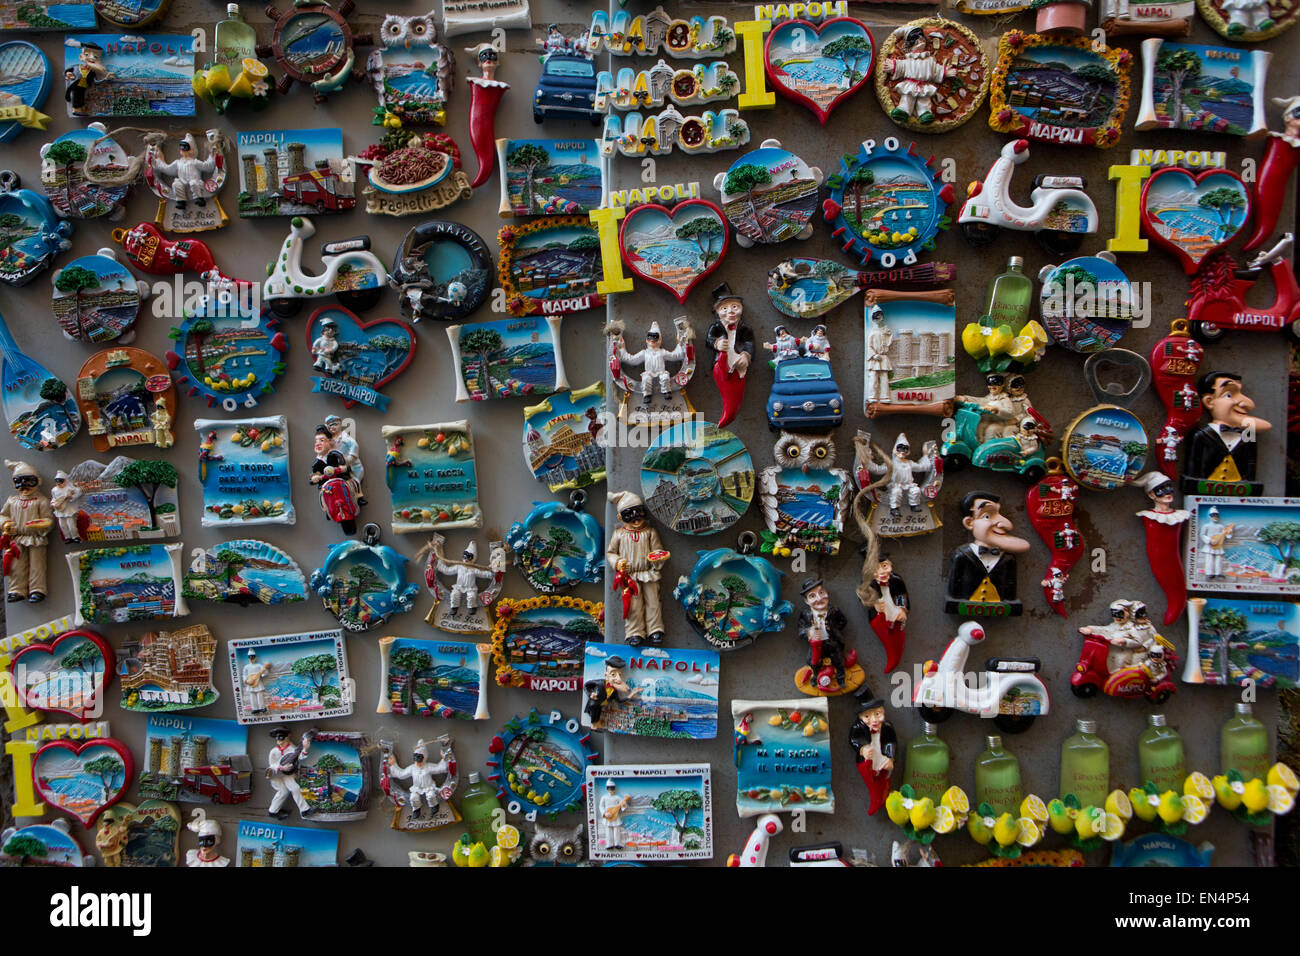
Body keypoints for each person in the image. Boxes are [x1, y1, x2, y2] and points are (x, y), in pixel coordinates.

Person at [1181, 370, 1271, 493]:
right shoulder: (1201, 435)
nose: (1246, 404)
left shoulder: (1248, 435)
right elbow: (1194, 465)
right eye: (1228, 395)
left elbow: (1251, 463)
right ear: (1209, 401)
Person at [945, 490, 1031, 614]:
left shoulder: (1008, 559)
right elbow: (955, 588)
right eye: (987, 516)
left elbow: (1010, 591)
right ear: (969, 523)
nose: (1005, 524)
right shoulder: (961, 556)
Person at [605, 490, 669, 645]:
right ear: (621, 517)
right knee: (633, 606)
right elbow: (611, 552)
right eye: (629, 515)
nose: (635, 519)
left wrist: (658, 558)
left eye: (638, 513)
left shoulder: (650, 533)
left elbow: (657, 550)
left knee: (653, 602)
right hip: (630, 577)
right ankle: (635, 632)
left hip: (649, 574)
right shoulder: (619, 534)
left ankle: (655, 630)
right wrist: (618, 562)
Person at [1, 461, 52, 603]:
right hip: (16, 539)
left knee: (37, 564)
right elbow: (3, 515)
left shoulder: (41, 501)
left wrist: (42, 524)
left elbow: (49, 518)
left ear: (38, 481)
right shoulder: (12, 501)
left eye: (29, 481)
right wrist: (5, 524)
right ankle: (17, 589)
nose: (24, 486)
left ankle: (37, 589)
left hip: (35, 537)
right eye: (19, 481)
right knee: (16, 565)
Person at [706, 284, 753, 427]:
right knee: (726, 391)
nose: (730, 312)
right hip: (721, 364)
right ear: (717, 312)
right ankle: (728, 413)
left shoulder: (744, 328)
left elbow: (749, 342)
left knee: (736, 393)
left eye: (734, 307)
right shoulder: (716, 327)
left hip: (739, 365)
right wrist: (716, 343)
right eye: (724, 309)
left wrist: (746, 355)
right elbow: (709, 339)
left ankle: (730, 413)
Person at [797, 579, 857, 691]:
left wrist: (833, 629)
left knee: (838, 661)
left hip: (833, 642)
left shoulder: (833, 610)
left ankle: (841, 679)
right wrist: (809, 632)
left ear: (826, 593)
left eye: (821, 593)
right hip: (816, 645)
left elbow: (843, 621)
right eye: (812, 596)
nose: (819, 598)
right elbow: (801, 630)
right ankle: (815, 676)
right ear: (806, 601)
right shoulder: (806, 614)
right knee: (814, 662)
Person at [882, 26, 945, 125]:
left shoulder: (929, 60)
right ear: (909, 45)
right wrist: (893, 66)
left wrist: (945, 72)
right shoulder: (908, 60)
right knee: (907, 97)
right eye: (916, 40)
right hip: (910, 84)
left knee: (924, 100)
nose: (920, 41)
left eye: (921, 38)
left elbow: (935, 69)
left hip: (924, 85)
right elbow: (902, 66)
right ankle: (903, 111)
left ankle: (925, 113)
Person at [848, 687, 895, 815]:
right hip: (866, 762)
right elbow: (853, 739)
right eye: (867, 716)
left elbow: (891, 742)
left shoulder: (887, 727)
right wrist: (862, 749)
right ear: (861, 717)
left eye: (877, 714)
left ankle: (881, 798)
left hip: (883, 759)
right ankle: (876, 800)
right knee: (872, 783)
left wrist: (890, 757)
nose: (873, 720)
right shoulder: (857, 727)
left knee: (884, 780)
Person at [858, 553, 908, 673]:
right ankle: (892, 658)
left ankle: (894, 658)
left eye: (884, 566)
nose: (882, 572)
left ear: (890, 565)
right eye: (875, 569)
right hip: (880, 618)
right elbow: (863, 598)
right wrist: (873, 603)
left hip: (894, 611)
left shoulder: (896, 580)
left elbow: (900, 594)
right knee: (888, 639)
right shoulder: (867, 585)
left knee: (899, 636)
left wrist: (901, 608)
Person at [864, 434, 933, 518]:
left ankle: (914, 505)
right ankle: (894, 509)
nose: (902, 452)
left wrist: (926, 455)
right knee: (896, 492)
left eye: (905, 449)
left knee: (915, 490)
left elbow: (922, 467)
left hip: (909, 485)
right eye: (900, 448)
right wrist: (866, 459)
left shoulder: (909, 463)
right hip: (896, 485)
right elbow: (877, 470)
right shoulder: (891, 464)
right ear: (895, 450)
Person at [617, 321, 686, 398]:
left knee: (665, 378)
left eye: (655, 338)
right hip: (649, 373)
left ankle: (666, 392)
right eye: (650, 337)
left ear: (659, 340)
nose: (652, 340)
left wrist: (680, 344)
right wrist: (622, 348)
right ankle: (647, 395)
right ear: (647, 339)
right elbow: (631, 360)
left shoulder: (662, 352)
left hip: (661, 372)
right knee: (646, 379)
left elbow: (675, 356)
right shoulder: (644, 353)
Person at [388, 739, 452, 821]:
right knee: (413, 797)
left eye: (420, 759)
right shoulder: (412, 768)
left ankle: (434, 806)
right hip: (417, 788)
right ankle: (416, 810)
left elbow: (439, 768)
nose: (418, 763)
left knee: (431, 795)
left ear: (424, 758)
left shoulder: (428, 766)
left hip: (428, 786)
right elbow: (401, 774)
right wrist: (393, 764)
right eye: (416, 760)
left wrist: (443, 759)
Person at [151, 134, 218, 210]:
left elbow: (207, 166)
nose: (184, 152)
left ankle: (198, 198)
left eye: (186, 149)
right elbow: (168, 169)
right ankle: (181, 201)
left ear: (192, 150)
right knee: (176, 184)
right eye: (182, 149)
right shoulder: (178, 163)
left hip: (194, 181)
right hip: (182, 181)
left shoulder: (195, 162)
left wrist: (211, 155)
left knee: (194, 183)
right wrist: (159, 160)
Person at [266, 727, 314, 819]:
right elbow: (271, 766)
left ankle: (305, 810)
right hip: (277, 775)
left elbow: (299, 758)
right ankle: (273, 811)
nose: (280, 742)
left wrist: (305, 749)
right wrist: (281, 767)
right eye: (279, 739)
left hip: (288, 775)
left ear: (287, 737)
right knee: (283, 791)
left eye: (282, 739)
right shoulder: (274, 751)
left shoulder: (293, 749)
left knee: (295, 788)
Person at [436, 541, 494, 617]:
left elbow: (483, 574)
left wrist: (492, 573)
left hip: (470, 588)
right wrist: (440, 562)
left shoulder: (474, 570)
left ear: (473, 559)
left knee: (472, 596)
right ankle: (454, 607)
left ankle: (472, 608)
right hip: (459, 586)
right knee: (454, 594)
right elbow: (447, 571)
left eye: (469, 557)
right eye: (465, 556)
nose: (466, 559)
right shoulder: (458, 567)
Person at [585, 656, 643, 729]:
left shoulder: (614, 691)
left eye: (620, 675)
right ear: (606, 675)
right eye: (613, 674)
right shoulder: (599, 683)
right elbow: (586, 685)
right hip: (594, 705)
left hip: (600, 706)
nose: (618, 679)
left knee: (597, 715)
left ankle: (596, 724)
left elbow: (619, 701)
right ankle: (594, 725)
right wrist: (591, 693)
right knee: (595, 716)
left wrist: (630, 695)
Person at [325, 414, 366, 504]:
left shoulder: (345, 438)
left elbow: (354, 446)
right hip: (336, 467)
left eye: (335, 424)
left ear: (340, 424)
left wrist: (349, 459)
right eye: (330, 426)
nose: (332, 427)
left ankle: (358, 498)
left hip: (351, 465)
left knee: (353, 482)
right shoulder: (329, 440)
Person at [64, 41, 108, 115]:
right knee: (75, 96)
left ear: (98, 60)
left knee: (81, 97)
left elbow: (95, 81)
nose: (91, 58)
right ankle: (75, 109)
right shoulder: (76, 67)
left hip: (84, 86)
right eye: (87, 54)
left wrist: (105, 78)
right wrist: (68, 74)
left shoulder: (92, 72)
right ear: (81, 57)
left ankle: (80, 110)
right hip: (75, 84)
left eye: (95, 56)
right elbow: (67, 71)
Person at [864, 305, 893, 403]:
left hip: (883, 357)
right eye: (876, 316)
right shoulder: (872, 332)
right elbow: (869, 346)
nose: (878, 318)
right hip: (875, 358)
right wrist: (874, 355)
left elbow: (889, 342)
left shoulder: (886, 331)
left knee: (884, 377)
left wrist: (887, 336)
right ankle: (872, 396)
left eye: (880, 316)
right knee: (873, 377)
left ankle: (885, 396)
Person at [1199, 505, 1232, 579]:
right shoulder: (1206, 526)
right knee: (1209, 560)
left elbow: (1226, 535)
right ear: (1210, 516)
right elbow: (1202, 535)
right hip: (1209, 546)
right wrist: (1210, 540)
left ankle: (1218, 573)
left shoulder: (1220, 526)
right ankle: (1209, 573)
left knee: (1218, 560)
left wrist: (1229, 532)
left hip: (1218, 546)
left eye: (1216, 515)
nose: (1215, 517)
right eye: (1213, 515)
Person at [50, 470, 81, 543]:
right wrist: (53, 504)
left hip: (68, 509)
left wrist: (72, 497)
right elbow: (54, 498)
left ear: (65, 481)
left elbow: (79, 491)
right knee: (62, 525)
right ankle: (67, 537)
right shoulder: (54, 490)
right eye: (57, 482)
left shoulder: (69, 488)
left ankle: (75, 536)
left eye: (61, 481)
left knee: (71, 525)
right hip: (60, 510)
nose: (59, 484)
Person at [598, 779, 630, 849]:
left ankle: (617, 843)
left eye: (612, 789)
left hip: (615, 816)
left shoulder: (617, 797)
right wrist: (604, 813)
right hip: (608, 816)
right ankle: (609, 844)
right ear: (607, 789)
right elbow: (601, 806)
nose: (611, 790)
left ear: (614, 789)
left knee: (616, 830)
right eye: (609, 789)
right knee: (608, 830)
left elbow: (622, 806)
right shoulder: (604, 797)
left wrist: (624, 804)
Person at [242, 649, 272, 715]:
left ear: (255, 658)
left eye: (253, 658)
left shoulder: (259, 665)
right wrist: (246, 680)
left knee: (260, 695)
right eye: (250, 658)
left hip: (258, 683)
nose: (251, 659)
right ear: (248, 659)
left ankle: (262, 707)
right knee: (252, 696)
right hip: (251, 683)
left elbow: (265, 673)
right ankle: (255, 708)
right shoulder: (246, 667)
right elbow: (244, 674)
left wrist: (264, 672)